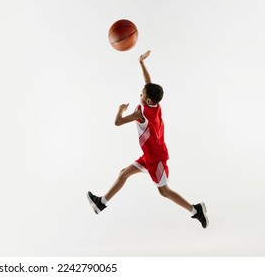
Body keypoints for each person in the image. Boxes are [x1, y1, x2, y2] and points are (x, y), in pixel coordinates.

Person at [87, 50, 208, 228]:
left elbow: (117, 122)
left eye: (142, 94)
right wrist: (141, 62)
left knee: (164, 191)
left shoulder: (140, 113)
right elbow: (148, 82)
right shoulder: (156, 106)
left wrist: (121, 108)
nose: (140, 94)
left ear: (149, 100)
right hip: (149, 155)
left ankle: (196, 210)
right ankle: (101, 203)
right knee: (123, 174)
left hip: (156, 159)